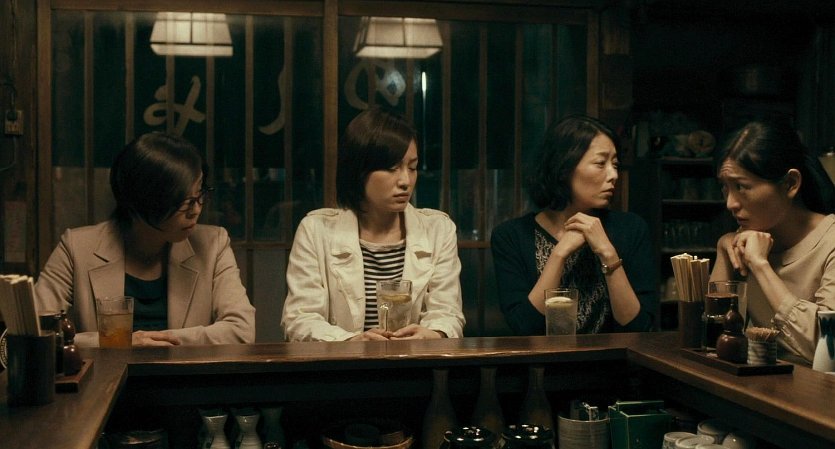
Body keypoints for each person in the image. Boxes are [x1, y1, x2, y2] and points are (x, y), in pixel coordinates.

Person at [35, 132, 256, 347]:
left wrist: (162, 341)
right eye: (183, 201)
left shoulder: (213, 244)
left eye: (200, 195)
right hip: (106, 373)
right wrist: (117, 342)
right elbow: (35, 331)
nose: (196, 210)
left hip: (183, 372)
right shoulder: (77, 247)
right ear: (142, 201)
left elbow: (241, 330)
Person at [281, 107, 465, 341]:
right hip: (344, 363)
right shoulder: (316, 230)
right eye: (391, 168)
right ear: (359, 170)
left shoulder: (438, 229)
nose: (405, 181)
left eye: (412, 167)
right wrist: (350, 342)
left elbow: (448, 313)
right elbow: (300, 319)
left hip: (415, 360)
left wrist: (432, 334)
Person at [491, 114, 657, 335]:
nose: (613, 175)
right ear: (563, 169)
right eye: (600, 163)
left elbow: (639, 326)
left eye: (615, 164)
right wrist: (559, 254)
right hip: (542, 358)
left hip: (612, 357)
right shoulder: (511, 236)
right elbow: (525, 326)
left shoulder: (631, 229)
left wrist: (607, 253)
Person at [710, 120, 835, 364]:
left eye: (741, 187)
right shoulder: (746, 239)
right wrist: (723, 249)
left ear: (790, 184)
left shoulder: (829, 242)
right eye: (725, 187)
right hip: (757, 384)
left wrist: (760, 265)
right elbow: (715, 341)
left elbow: (829, 347)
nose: (730, 203)